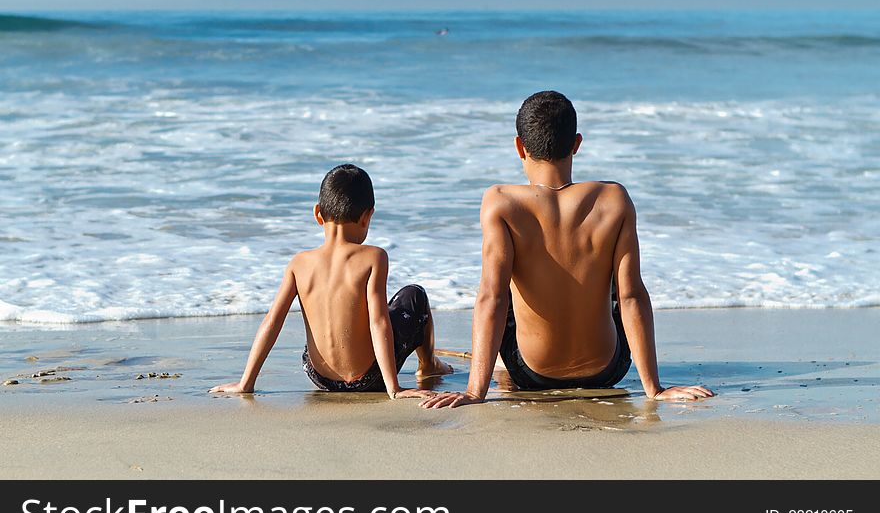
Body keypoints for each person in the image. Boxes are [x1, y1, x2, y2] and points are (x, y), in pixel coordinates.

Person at [422, 91, 714, 408]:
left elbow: (491, 298)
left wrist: (474, 392)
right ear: (576, 144)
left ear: (519, 147)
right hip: (607, 369)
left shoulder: (501, 202)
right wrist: (653, 388)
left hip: (531, 372)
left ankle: (502, 368)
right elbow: (631, 297)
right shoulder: (613, 199)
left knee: (502, 288)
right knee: (617, 282)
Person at [211, 164, 452, 399]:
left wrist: (246, 382)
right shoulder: (374, 257)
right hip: (369, 377)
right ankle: (428, 364)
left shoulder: (299, 263)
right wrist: (393, 388)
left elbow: (272, 322)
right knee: (413, 295)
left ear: (317, 213)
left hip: (319, 376)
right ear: (367, 217)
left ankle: (251, 380)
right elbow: (378, 322)